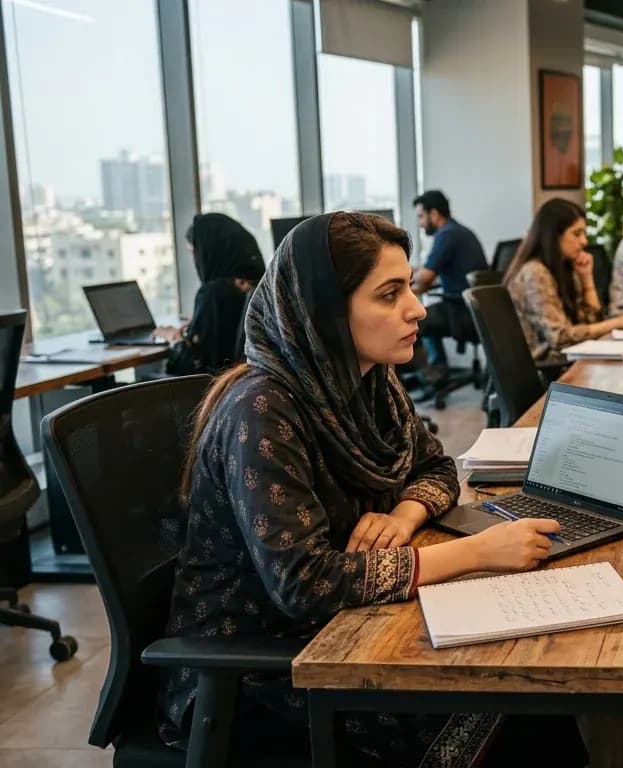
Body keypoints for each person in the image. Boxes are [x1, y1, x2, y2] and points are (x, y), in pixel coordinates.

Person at [161, 212, 587, 766]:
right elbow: (305, 583)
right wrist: (478, 551)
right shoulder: (263, 410)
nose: (417, 308)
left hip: (342, 629)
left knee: (532, 696)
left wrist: (406, 515)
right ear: (325, 313)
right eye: (389, 294)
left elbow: (437, 467)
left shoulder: (368, 381)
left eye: (409, 286)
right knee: (518, 704)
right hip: (256, 673)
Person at [509, 198, 623, 363]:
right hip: (548, 367)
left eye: (584, 233)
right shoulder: (535, 272)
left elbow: (591, 322)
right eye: (576, 234)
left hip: (568, 358)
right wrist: (619, 322)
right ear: (554, 236)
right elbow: (560, 337)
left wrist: (586, 279)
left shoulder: (565, 267)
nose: (584, 241)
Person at [161, 213, 265, 375]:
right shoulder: (260, 284)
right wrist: (199, 324)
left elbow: (195, 367)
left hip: (214, 392)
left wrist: (174, 338)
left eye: (194, 252)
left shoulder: (214, 295)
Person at [410, 190, 488, 379]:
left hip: (460, 310)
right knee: (425, 310)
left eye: (421, 216)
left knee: (413, 322)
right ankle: (439, 368)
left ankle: (432, 375)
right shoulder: (460, 231)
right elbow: (427, 279)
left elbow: (425, 277)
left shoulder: (446, 235)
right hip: (475, 308)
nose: (420, 224)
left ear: (434, 214)